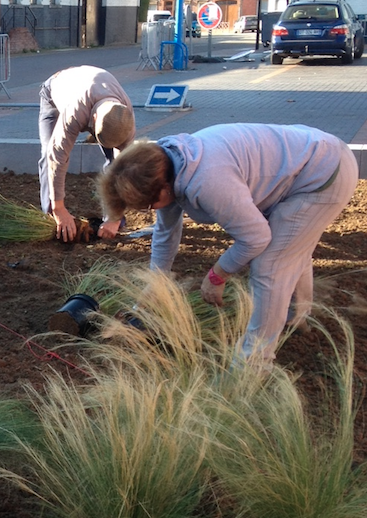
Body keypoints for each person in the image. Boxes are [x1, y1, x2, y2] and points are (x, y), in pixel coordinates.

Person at [97, 123, 357, 366]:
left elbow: (256, 238)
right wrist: (154, 286)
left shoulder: (207, 180)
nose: (149, 210)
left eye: (148, 206)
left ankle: (251, 365)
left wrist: (217, 275)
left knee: (270, 265)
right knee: (290, 249)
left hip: (322, 174)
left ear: (163, 188)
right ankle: (296, 320)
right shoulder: (165, 163)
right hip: (311, 158)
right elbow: (165, 232)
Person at [38, 65, 135, 242]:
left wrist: (115, 216)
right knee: (47, 155)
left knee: (115, 163)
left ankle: (112, 219)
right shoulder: (76, 111)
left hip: (96, 92)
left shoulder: (125, 118)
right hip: (55, 92)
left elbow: (122, 170)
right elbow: (57, 158)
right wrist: (59, 208)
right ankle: (52, 217)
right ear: (94, 120)